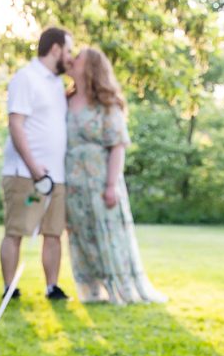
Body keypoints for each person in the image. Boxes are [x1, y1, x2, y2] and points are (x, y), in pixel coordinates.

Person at [65, 47, 167, 304]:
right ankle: (92, 289)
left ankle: (119, 288)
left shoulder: (106, 103)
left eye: (78, 58)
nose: (72, 60)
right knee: (82, 236)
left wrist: (111, 185)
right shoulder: (65, 99)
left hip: (101, 180)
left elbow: (118, 146)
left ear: (90, 68)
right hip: (74, 184)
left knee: (110, 235)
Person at [0, 26, 74, 300]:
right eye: (68, 51)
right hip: (25, 174)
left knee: (53, 234)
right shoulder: (26, 78)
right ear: (55, 48)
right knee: (16, 231)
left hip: (57, 176)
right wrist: (33, 167)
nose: (70, 57)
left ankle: (52, 286)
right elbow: (16, 124)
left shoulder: (57, 84)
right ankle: (10, 288)